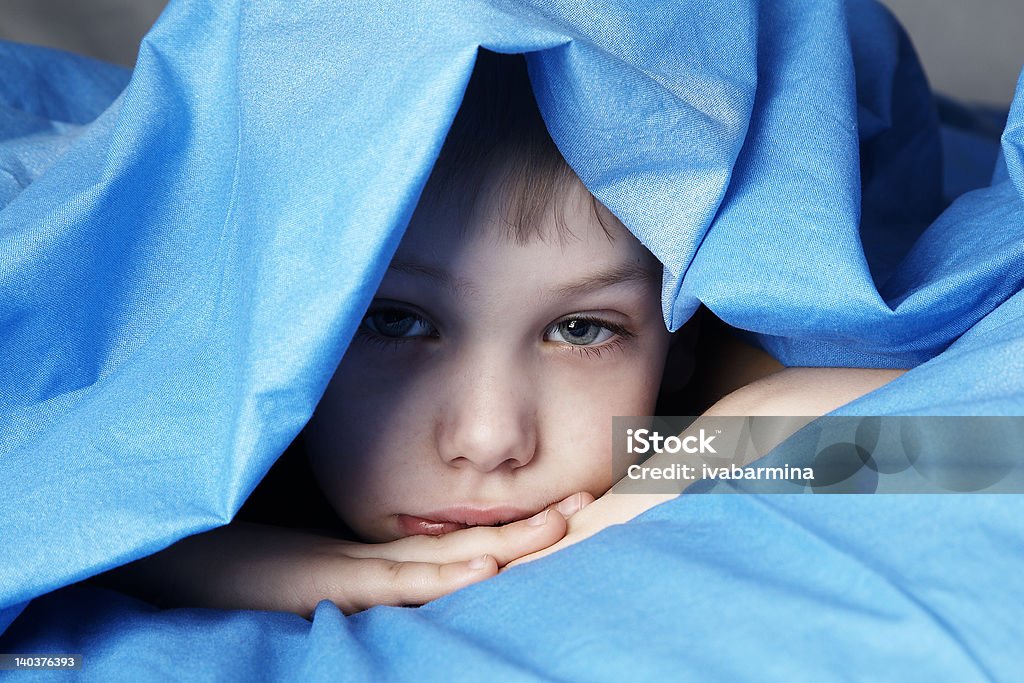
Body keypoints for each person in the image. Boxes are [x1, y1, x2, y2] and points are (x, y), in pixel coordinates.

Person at [91, 50, 904, 617]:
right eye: (395, 321)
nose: (487, 440)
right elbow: (59, 494)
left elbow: (961, 439)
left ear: (680, 335)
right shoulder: (222, 407)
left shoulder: (669, 416)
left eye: (581, 327)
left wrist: (667, 478)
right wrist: (270, 566)